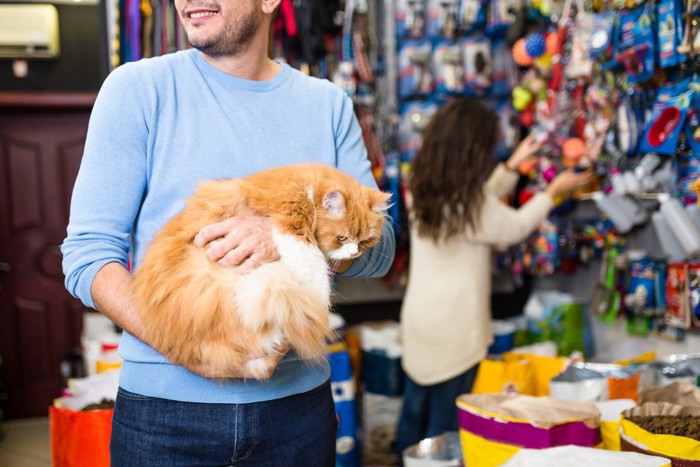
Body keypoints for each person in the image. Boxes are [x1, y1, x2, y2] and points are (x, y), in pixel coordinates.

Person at [60, 0, 395, 464]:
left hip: (296, 412)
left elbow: (382, 249)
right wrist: (188, 350)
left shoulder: (328, 105)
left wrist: (285, 233)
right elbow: (87, 257)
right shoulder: (136, 89)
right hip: (165, 414)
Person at [395, 97, 591, 455]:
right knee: (445, 430)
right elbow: (512, 227)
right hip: (454, 331)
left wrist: (512, 168)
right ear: (473, 151)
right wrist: (553, 193)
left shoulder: (424, 187)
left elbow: (475, 208)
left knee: (413, 415)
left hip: (420, 324)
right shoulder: (470, 204)